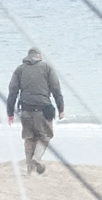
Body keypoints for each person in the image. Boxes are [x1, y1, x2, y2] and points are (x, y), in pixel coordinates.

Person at [6, 47, 64, 175]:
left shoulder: (19, 69)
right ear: (39, 56)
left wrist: (10, 113)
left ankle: (29, 170)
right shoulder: (47, 67)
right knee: (45, 136)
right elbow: (56, 89)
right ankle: (37, 158)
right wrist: (61, 108)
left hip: (26, 110)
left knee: (29, 138)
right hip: (43, 109)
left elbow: (12, 92)